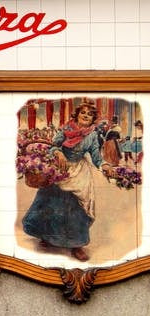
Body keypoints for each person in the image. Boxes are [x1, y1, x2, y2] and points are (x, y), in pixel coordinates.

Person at [22, 100, 111, 263]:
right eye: (83, 112)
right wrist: (58, 153)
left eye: (90, 114)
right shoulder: (66, 128)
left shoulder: (92, 135)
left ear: (93, 119)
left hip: (78, 172)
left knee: (77, 208)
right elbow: (53, 146)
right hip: (59, 169)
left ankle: (77, 245)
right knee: (50, 203)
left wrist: (105, 166)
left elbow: (96, 156)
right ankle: (47, 237)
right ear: (77, 115)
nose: (86, 116)